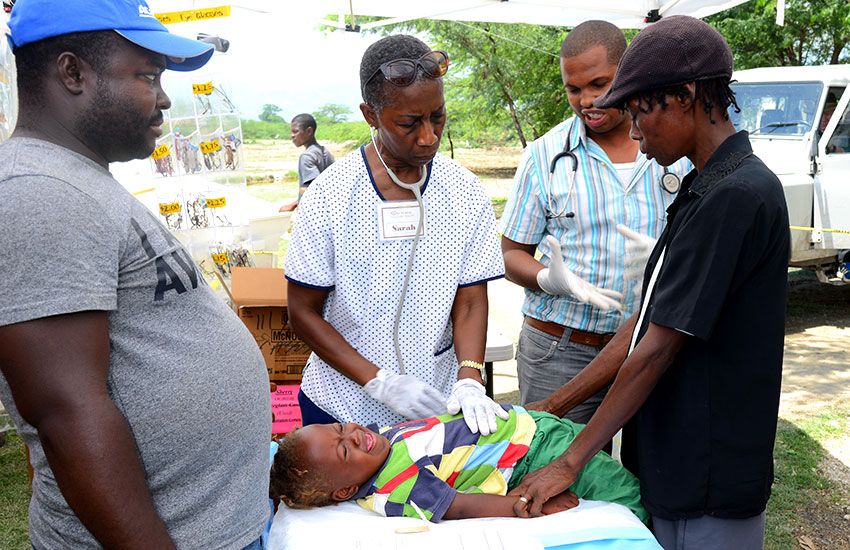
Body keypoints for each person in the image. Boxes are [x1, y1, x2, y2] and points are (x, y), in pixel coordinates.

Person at [509, 16, 790, 550]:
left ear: (684, 96)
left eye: (638, 113)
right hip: (673, 452)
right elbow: (646, 326)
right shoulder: (706, 186)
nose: (633, 135)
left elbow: (655, 348)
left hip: (706, 467)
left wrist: (569, 462)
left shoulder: (734, 197)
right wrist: (550, 406)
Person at [0, 1, 272, 549]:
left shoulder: (75, 179)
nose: (165, 98)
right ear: (73, 72)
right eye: (148, 76)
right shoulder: (39, 192)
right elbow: (66, 413)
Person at [284, 35, 506, 435]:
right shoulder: (330, 196)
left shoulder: (465, 191)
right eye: (409, 123)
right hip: (342, 410)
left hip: (436, 407)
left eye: (437, 116)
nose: (428, 137)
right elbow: (302, 312)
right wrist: (378, 381)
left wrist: (470, 378)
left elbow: (471, 299)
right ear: (370, 115)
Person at [500, 21, 691, 425]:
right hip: (561, 351)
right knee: (547, 471)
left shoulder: (675, 149)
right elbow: (510, 254)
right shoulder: (544, 157)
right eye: (574, 89)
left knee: (648, 475)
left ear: (627, 74)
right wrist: (550, 279)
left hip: (652, 345)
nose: (586, 100)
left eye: (599, 84)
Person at [269, 406, 648, 524]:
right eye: (344, 452)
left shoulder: (377, 440)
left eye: (339, 427)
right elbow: (459, 506)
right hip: (537, 456)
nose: (353, 435)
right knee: (630, 497)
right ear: (347, 491)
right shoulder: (394, 488)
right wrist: (535, 505)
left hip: (536, 426)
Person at [279, 113, 335, 212]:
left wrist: (293, 205)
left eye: (295, 131)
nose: (292, 135)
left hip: (313, 212)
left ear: (309, 131)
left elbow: (313, 190)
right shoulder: (325, 152)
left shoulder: (306, 157)